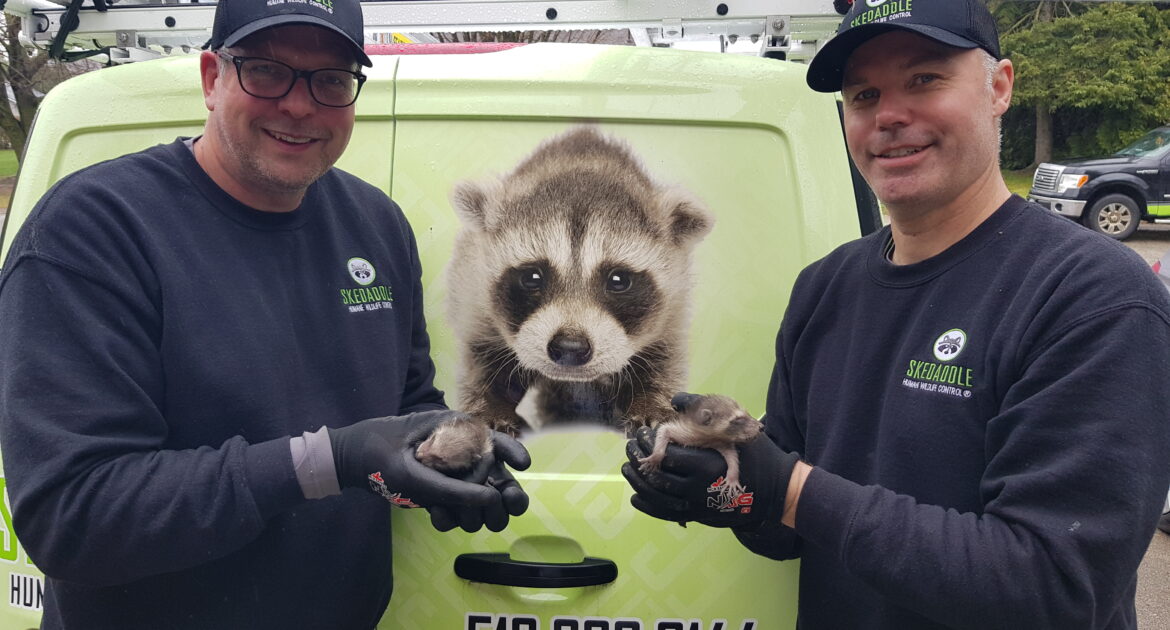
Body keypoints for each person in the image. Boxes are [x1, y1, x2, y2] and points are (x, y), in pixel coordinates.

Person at [623, 0, 1170, 628]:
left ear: (999, 87)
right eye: (863, 94)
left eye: (924, 80)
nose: (889, 116)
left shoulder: (1093, 298)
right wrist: (729, 490)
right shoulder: (825, 287)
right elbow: (788, 533)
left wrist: (791, 490)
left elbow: (1054, 587)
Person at [0, 0, 530, 627]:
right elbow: (74, 516)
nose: (301, 105)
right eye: (267, 71)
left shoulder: (376, 224)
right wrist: (332, 461)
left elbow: (407, 398)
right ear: (210, 78)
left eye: (331, 80)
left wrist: (448, 449)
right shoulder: (94, 230)